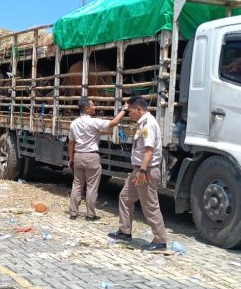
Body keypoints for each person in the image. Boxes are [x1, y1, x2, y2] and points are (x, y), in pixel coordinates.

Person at [109, 96, 167, 251]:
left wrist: (142, 171)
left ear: (139, 109)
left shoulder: (148, 124)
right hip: (138, 169)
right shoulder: (141, 124)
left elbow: (149, 150)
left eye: (130, 111)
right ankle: (125, 231)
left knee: (150, 205)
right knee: (125, 197)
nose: (129, 114)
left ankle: (160, 240)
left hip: (145, 171)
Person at [68, 97, 128, 220]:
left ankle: (73, 212)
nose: (95, 107)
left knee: (77, 185)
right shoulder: (94, 122)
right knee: (91, 186)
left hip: (78, 155)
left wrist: (71, 158)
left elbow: (71, 143)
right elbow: (113, 123)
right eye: (92, 105)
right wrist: (124, 109)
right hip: (91, 156)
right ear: (87, 108)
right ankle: (90, 214)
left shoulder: (73, 123)